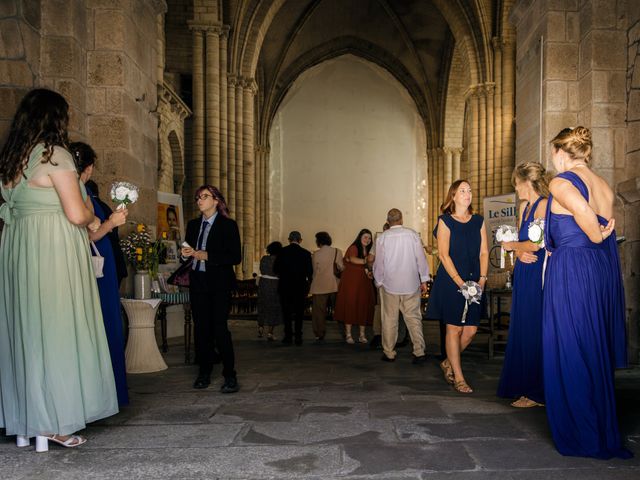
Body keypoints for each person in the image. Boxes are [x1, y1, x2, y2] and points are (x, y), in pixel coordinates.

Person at [0, 88, 118, 450]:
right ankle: (54, 422)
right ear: (55, 119)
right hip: (52, 249)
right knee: (57, 329)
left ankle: (25, 420)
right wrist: (92, 215)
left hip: (19, 248)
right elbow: (76, 213)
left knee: (27, 331)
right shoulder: (55, 156)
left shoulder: (12, 160)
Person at [543, 127, 631, 459]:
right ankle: (601, 427)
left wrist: (593, 234)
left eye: (554, 153)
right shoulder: (605, 186)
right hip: (598, 272)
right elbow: (605, 225)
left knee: (571, 346)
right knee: (591, 346)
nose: (553, 159)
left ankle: (584, 432)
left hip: (572, 270)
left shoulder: (560, 181)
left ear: (562, 152)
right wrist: (597, 234)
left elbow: (586, 220)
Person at [70, 142, 130, 406]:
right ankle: (108, 395)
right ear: (90, 168)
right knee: (105, 325)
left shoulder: (70, 189)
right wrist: (112, 223)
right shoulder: (80, 190)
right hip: (97, 268)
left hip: (94, 265)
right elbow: (91, 233)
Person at [425, 181, 489, 393]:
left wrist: (482, 278)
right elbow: (443, 255)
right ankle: (459, 378)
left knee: (470, 331)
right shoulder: (445, 221)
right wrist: (460, 283)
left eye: (470, 190)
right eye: (462, 191)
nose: (467, 194)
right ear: (453, 196)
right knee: (454, 328)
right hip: (451, 281)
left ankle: (448, 362)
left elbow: (484, 252)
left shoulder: (478, 221)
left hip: (475, 281)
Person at [496, 162, 548, 408]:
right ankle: (523, 386)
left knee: (534, 327)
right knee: (522, 326)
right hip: (524, 270)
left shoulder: (544, 205)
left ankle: (536, 392)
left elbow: (536, 244)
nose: (515, 189)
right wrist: (517, 252)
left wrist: (512, 247)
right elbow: (522, 241)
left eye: (516, 183)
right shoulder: (524, 207)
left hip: (538, 270)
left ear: (527, 182)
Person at [181, 185, 241, 393]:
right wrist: (185, 253)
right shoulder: (193, 224)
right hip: (198, 281)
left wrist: (207, 256)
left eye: (204, 197)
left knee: (219, 329)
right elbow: (186, 250)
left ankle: (230, 375)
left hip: (219, 284)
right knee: (201, 329)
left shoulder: (228, 225)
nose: (199, 200)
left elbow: (235, 257)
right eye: (198, 197)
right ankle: (203, 373)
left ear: (216, 200)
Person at [373, 209, 429, 363]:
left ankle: (389, 352)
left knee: (389, 319)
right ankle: (419, 351)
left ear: (387, 220)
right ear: (402, 219)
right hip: (411, 284)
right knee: (414, 318)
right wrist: (424, 279)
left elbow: (379, 263)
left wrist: (378, 281)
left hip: (390, 285)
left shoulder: (382, 238)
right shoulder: (413, 235)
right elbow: (421, 259)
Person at [335, 229, 376, 344]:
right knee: (350, 306)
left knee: (363, 306)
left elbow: (367, 266)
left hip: (363, 282)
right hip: (351, 282)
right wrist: (366, 261)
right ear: (360, 237)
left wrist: (369, 271)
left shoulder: (368, 250)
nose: (367, 240)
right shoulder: (353, 247)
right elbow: (352, 259)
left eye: (369, 238)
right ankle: (348, 334)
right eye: (365, 237)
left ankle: (362, 335)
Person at [85, 179, 128, 287]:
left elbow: (91, 234)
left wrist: (110, 223)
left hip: (103, 258)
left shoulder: (94, 206)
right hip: (114, 256)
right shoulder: (105, 206)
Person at [273, 231, 313, 345]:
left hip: (285, 286)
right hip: (300, 287)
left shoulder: (282, 252)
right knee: (299, 313)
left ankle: (288, 336)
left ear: (289, 239)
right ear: (300, 240)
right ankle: (298, 337)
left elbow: (276, 269)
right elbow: (309, 272)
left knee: (287, 313)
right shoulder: (305, 253)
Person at [309, 232, 343, 343]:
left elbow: (314, 272)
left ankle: (319, 334)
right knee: (339, 310)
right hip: (334, 285)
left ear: (318, 241)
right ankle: (345, 332)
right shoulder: (337, 251)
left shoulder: (316, 254)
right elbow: (341, 268)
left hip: (319, 285)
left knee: (319, 312)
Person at [257, 241, 283, 341]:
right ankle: (270, 333)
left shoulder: (264, 258)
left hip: (263, 283)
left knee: (262, 304)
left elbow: (261, 269)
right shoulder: (279, 260)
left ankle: (260, 326)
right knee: (274, 307)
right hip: (275, 284)